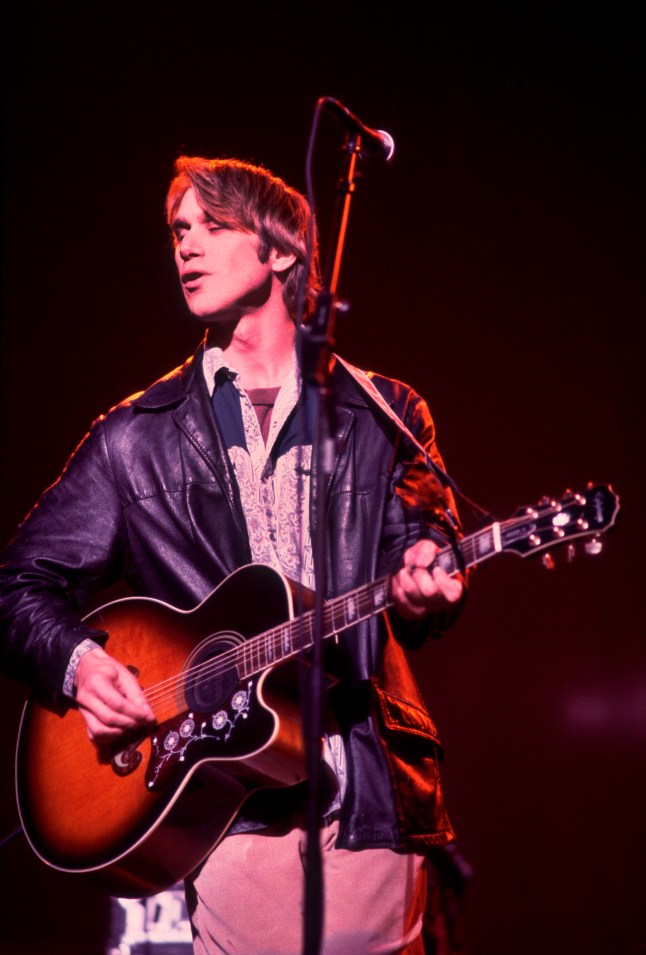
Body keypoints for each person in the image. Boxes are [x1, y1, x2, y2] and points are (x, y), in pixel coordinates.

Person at [0, 155, 467, 954]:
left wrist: (428, 568)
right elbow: (18, 583)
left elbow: (422, 542)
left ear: (283, 250)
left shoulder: (384, 411)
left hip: (365, 797)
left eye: (212, 225)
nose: (185, 246)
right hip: (228, 813)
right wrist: (81, 664)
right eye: (179, 230)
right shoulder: (133, 437)